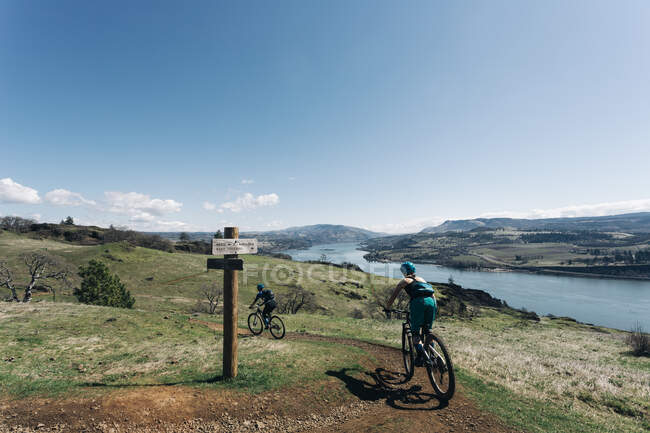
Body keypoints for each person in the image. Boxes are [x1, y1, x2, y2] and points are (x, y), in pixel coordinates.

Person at [385, 262, 437, 367]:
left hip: (418, 303)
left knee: (415, 333)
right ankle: (433, 356)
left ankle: (420, 357)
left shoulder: (405, 280)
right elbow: (433, 295)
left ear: (404, 272)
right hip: (431, 303)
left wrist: (387, 307)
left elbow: (394, 295)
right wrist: (435, 308)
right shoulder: (422, 279)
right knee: (428, 331)